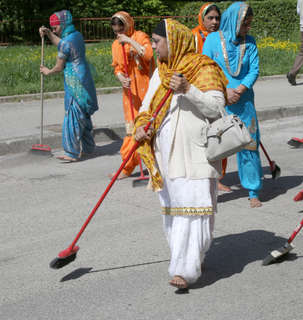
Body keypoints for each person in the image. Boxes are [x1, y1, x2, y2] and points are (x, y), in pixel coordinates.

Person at [134, 19, 227, 289]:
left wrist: (188, 90)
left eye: (156, 41)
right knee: (174, 210)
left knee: (194, 207)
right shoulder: (161, 72)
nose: (153, 46)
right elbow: (145, 109)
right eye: (152, 41)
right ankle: (189, 257)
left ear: (173, 41)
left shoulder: (202, 67)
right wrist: (141, 128)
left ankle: (184, 270)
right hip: (165, 153)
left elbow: (216, 109)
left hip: (195, 152)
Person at [203, 2, 264, 208]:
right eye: (244, 24)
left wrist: (240, 90)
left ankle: (253, 190)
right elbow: (207, 69)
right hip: (219, 100)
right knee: (215, 145)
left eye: (249, 24)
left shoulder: (251, 42)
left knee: (249, 144)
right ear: (233, 22)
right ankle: (210, 189)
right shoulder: (212, 40)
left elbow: (254, 70)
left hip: (244, 101)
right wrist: (225, 90)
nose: (247, 28)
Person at [39, 10, 98, 162]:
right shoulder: (76, 35)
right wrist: (48, 34)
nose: (54, 30)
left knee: (72, 115)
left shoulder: (66, 43)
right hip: (85, 78)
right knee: (83, 114)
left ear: (63, 25)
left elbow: (59, 67)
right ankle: (89, 148)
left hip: (74, 82)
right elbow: (61, 42)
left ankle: (71, 153)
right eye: (52, 28)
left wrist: (47, 71)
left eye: (55, 28)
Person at [110, 11, 155, 179]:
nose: (119, 34)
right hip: (130, 94)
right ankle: (127, 167)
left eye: (121, 29)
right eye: (116, 31)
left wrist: (129, 41)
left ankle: (153, 168)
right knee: (131, 132)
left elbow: (149, 55)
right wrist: (121, 78)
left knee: (149, 130)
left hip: (147, 90)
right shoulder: (115, 45)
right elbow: (117, 68)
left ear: (128, 25)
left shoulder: (140, 36)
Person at [191, 3, 230, 192]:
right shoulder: (193, 37)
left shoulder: (223, 37)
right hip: (197, 92)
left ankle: (218, 176)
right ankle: (200, 176)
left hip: (218, 90)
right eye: (210, 18)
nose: (214, 22)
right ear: (202, 19)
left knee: (220, 134)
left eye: (217, 18)